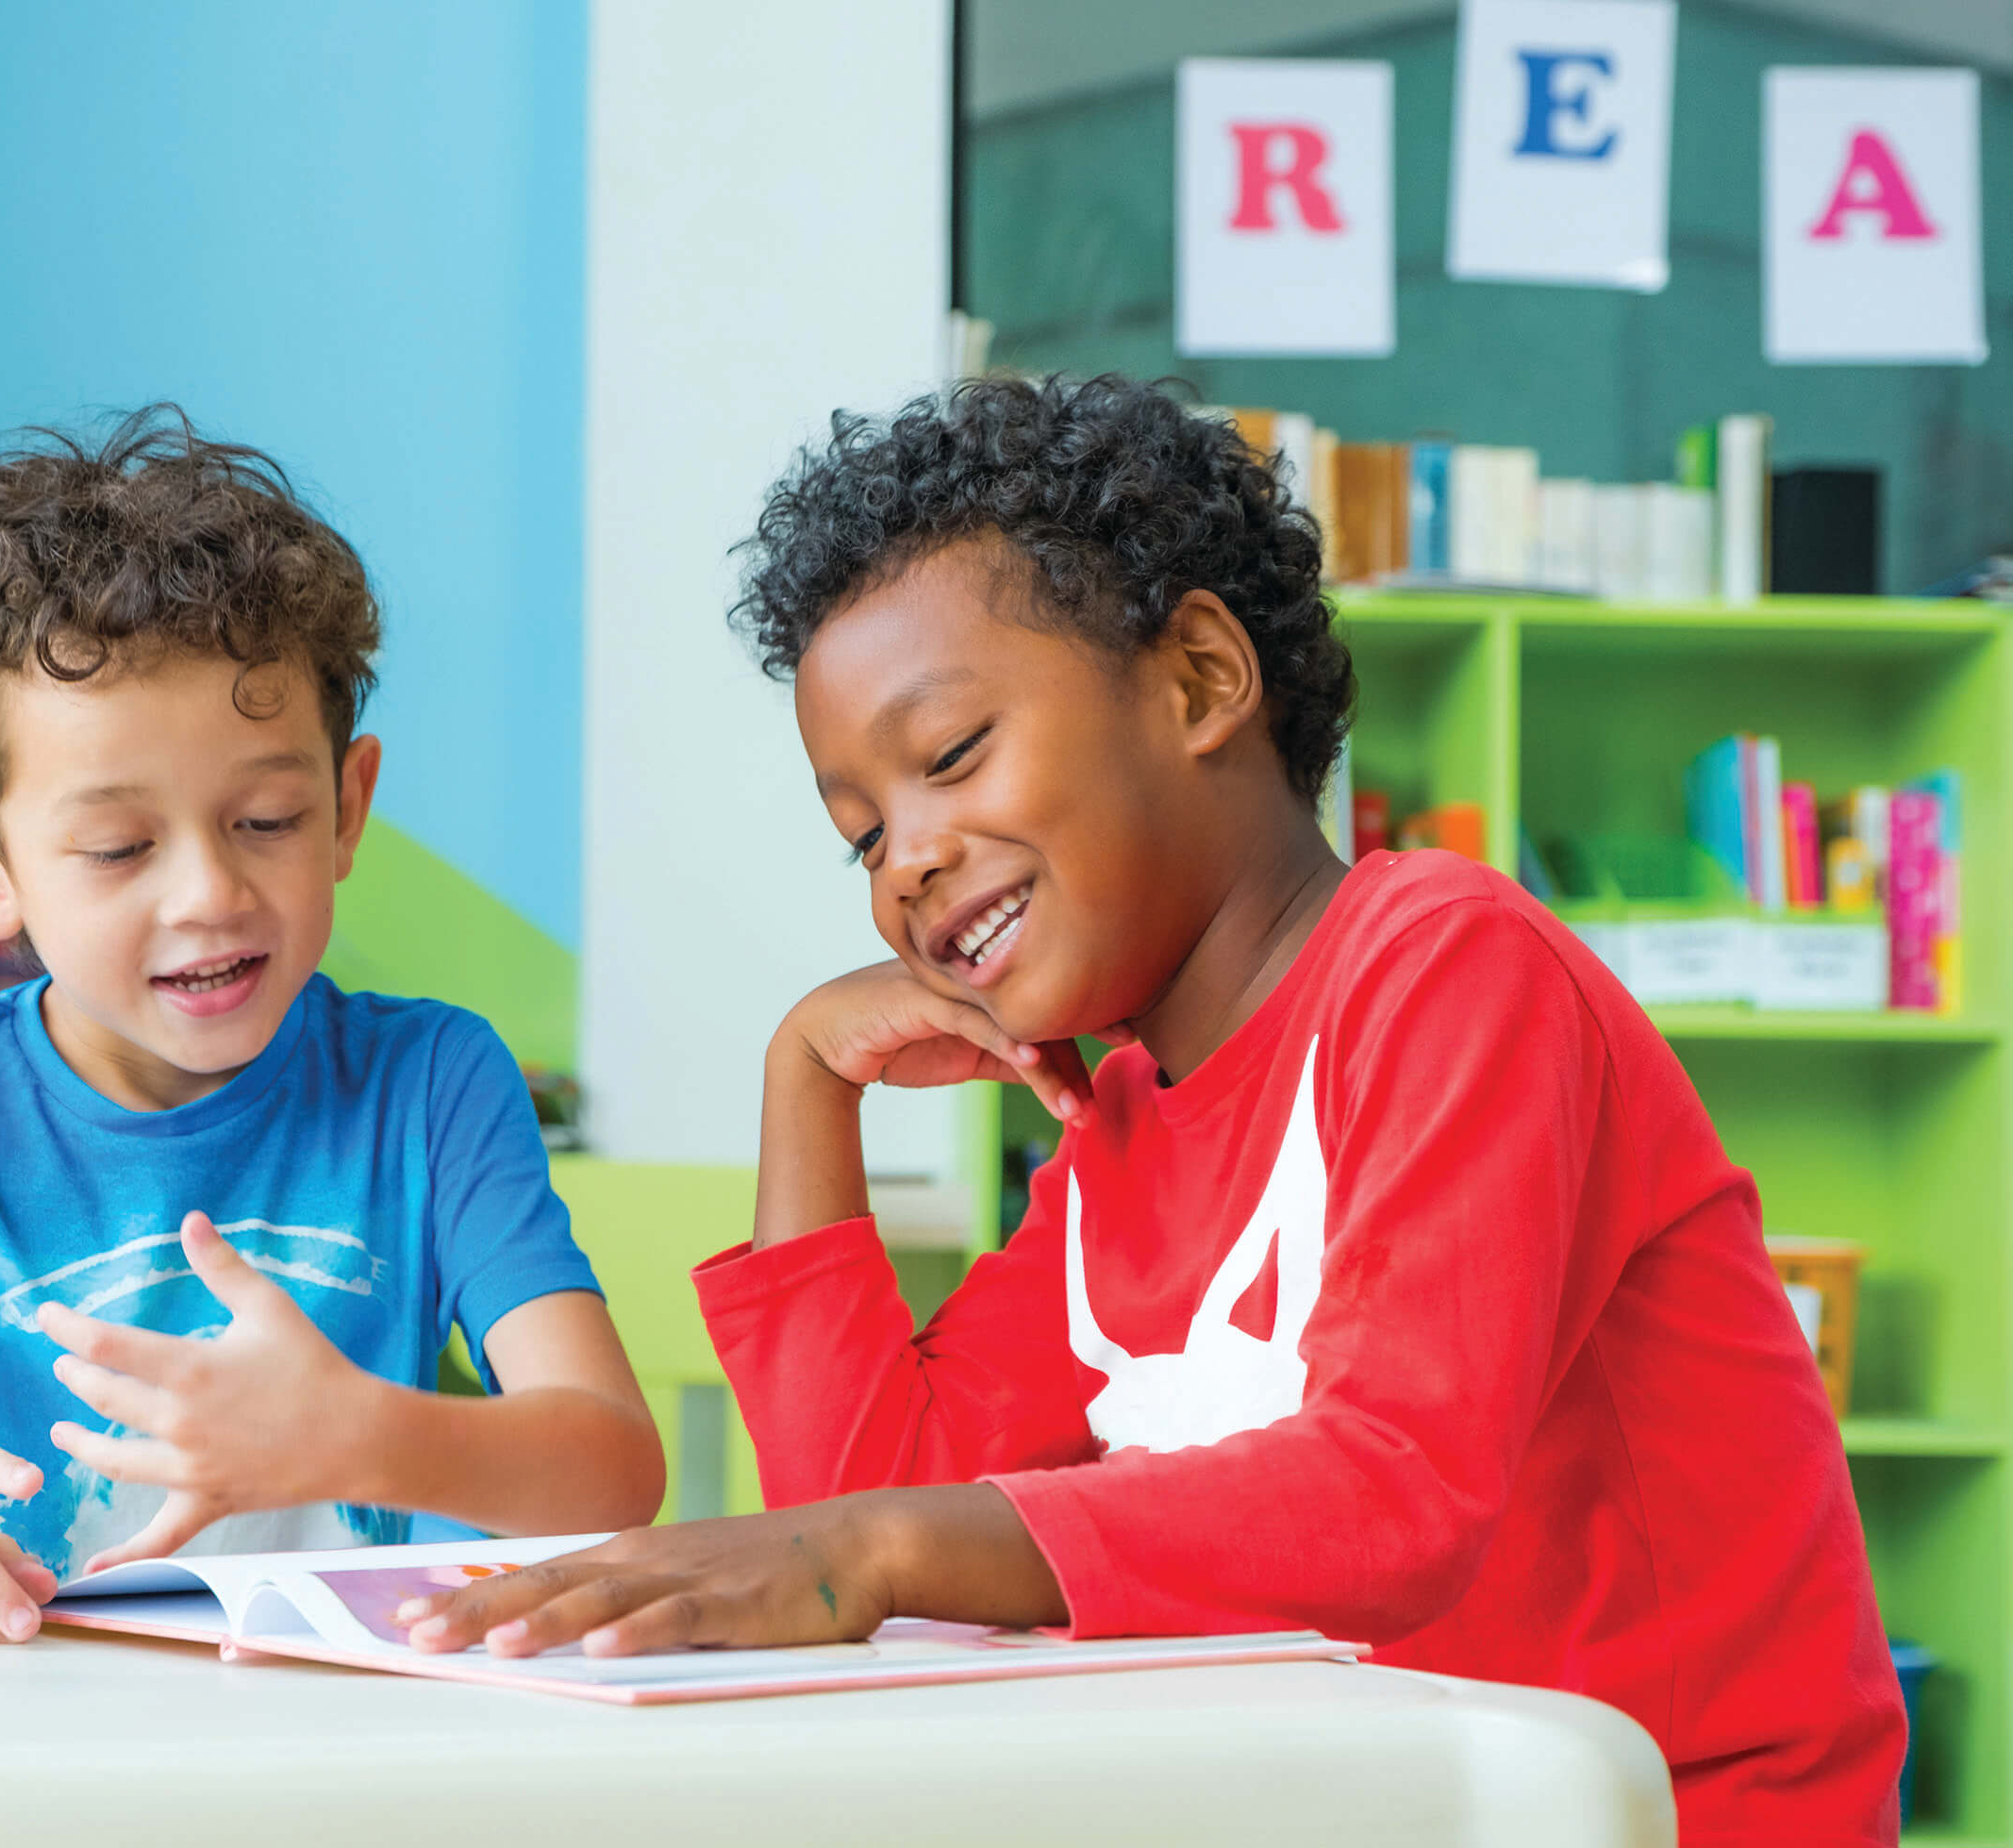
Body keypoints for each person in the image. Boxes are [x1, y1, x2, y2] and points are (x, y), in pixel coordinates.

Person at [398, 375, 1903, 1844]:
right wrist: (808, 1081)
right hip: (1364, 1804)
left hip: (1661, 1817)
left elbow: (1394, 1491)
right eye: (862, 835)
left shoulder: (1450, 964)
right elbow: (871, 1511)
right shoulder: (1120, 1130)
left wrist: (860, 1552)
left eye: (949, 758)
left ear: (1199, 680)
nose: (905, 862)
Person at [0, 410, 662, 1645]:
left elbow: (613, 1469)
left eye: (265, 819)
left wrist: (355, 1434)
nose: (208, 893)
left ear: (348, 806)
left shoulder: (429, 1084)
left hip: (339, 1769)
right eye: (118, 847)